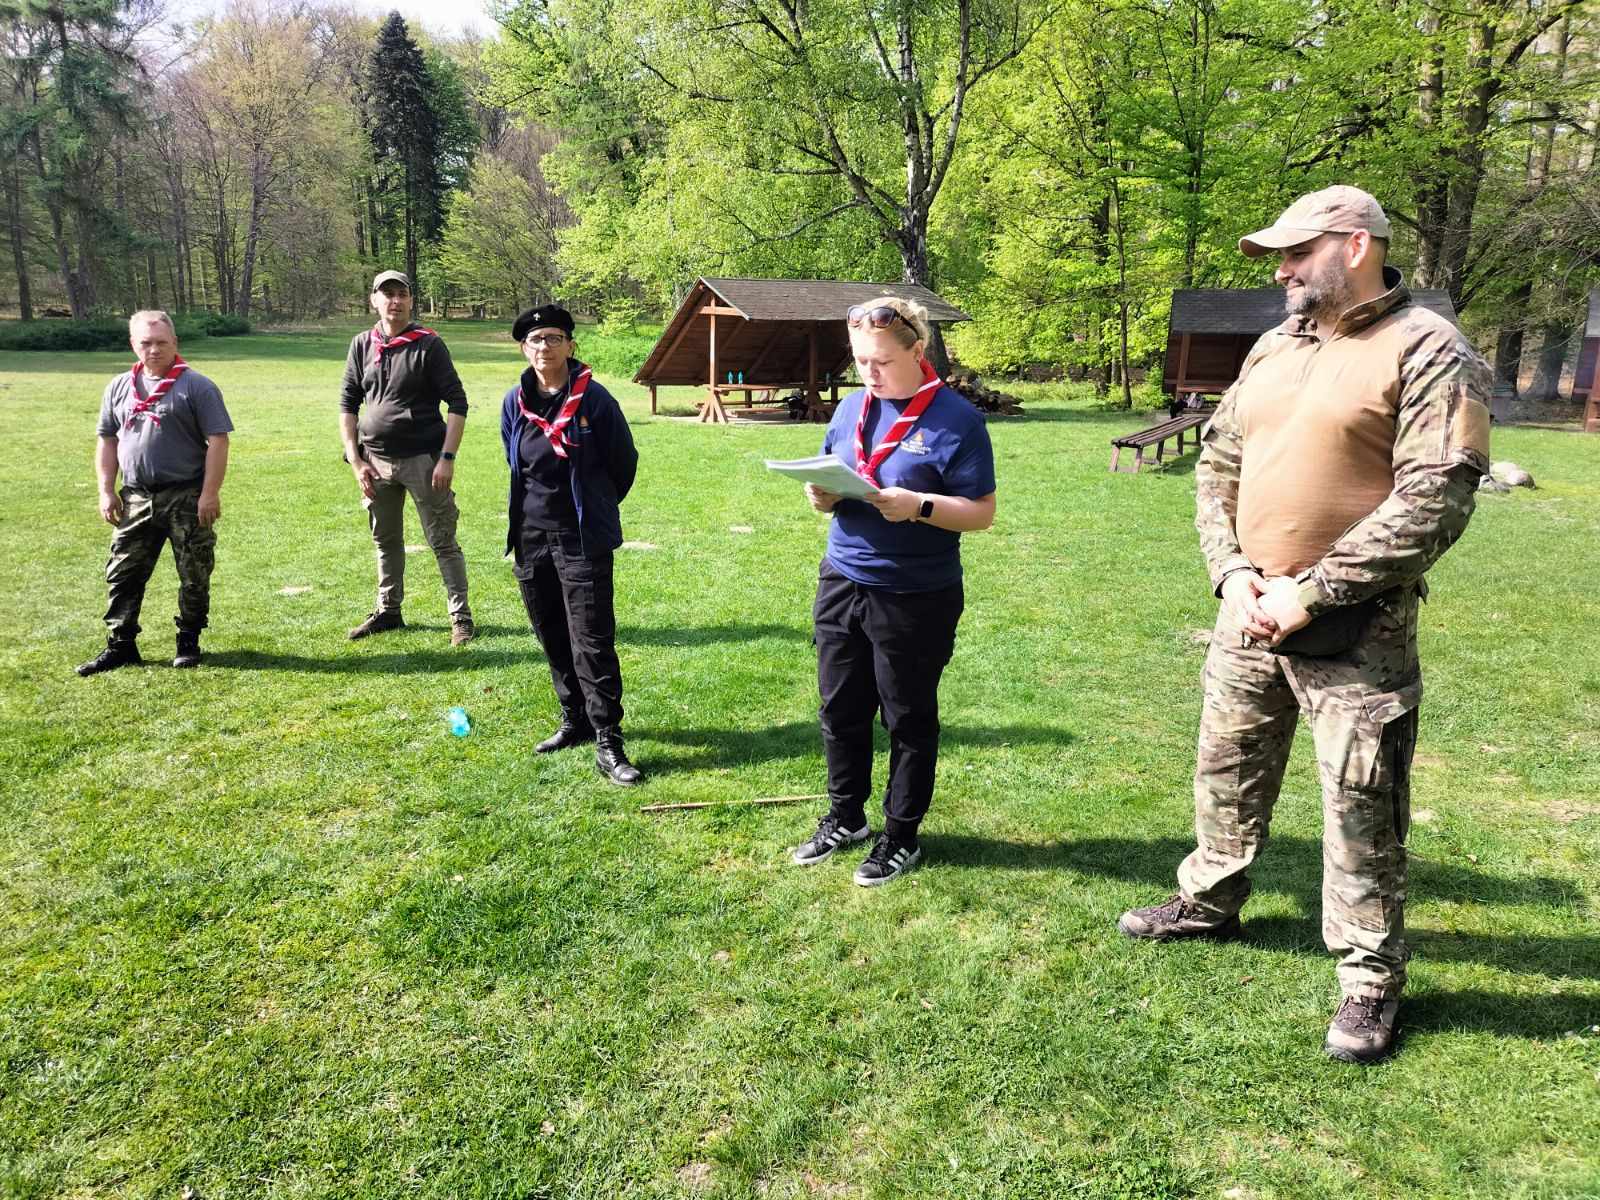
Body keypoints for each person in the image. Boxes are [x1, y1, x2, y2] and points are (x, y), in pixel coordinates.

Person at [1117, 186, 1492, 1064]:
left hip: (1358, 635)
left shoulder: (1430, 349)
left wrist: (1313, 592)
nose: (1281, 271)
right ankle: (1209, 901)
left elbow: (1436, 497)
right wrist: (1234, 574)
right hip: (1248, 616)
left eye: (1296, 253)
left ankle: (1368, 980)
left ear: (1356, 245)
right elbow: (1218, 464)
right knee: (1227, 769)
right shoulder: (1273, 348)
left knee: (1363, 805)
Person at [792, 296, 997, 886]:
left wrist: (920, 506)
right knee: (839, 706)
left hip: (914, 592)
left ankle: (900, 834)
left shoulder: (956, 420)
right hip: (842, 578)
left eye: (881, 361)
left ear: (917, 349)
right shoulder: (853, 407)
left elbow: (980, 514)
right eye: (860, 361)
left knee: (906, 716)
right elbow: (836, 469)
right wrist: (821, 495)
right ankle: (846, 815)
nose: (869, 373)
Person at [500, 304, 643, 786]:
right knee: (552, 634)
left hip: (581, 540)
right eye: (536, 339)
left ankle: (608, 740)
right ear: (524, 348)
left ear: (570, 346)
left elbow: (624, 463)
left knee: (592, 640)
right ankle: (574, 719)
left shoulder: (595, 400)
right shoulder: (513, 402)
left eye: (554, 338)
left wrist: (596, 507)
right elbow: (514, 460)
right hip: (531, 537)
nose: (545, 347)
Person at [78, 311, 232, 676]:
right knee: (122, 573)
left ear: (175, 343)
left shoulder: (198, 387)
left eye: (161, 342)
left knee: (194, 572)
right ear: (133, 345)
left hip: (186, 496)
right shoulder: (118, 387)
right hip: (135, 497)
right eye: (145, 343)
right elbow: (107, 439)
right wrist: (105, 490)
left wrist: (209, 493)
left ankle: (189, 640)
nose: (153, 350)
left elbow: (218, 441)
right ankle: (121, 644)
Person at [338, 269, 475, 645]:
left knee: (442, 540)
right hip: (374, 462)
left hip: (423, 461)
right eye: (387, 294)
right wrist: (355, 460)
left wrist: (447, 458)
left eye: (401, 294)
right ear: (374, 300)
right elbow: (348, 404)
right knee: (385, 540)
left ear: (411, 300)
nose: (394, 301)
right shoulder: (361, 344)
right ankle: (388, 611)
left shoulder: (429, 345)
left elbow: (458, 403)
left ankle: (461, 618)